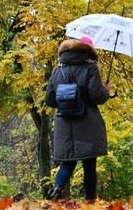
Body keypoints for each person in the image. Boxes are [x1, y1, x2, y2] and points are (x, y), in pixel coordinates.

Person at [44, 36, 111, 201]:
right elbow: (97, 96)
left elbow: (49, 100)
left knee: (67, 162)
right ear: (89, 51)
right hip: (87, 122)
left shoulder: (57, 70)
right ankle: (90, 200)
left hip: (64, 122)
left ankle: (56, 190)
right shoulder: (91, 68)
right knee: (89, 164)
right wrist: (106, 90)